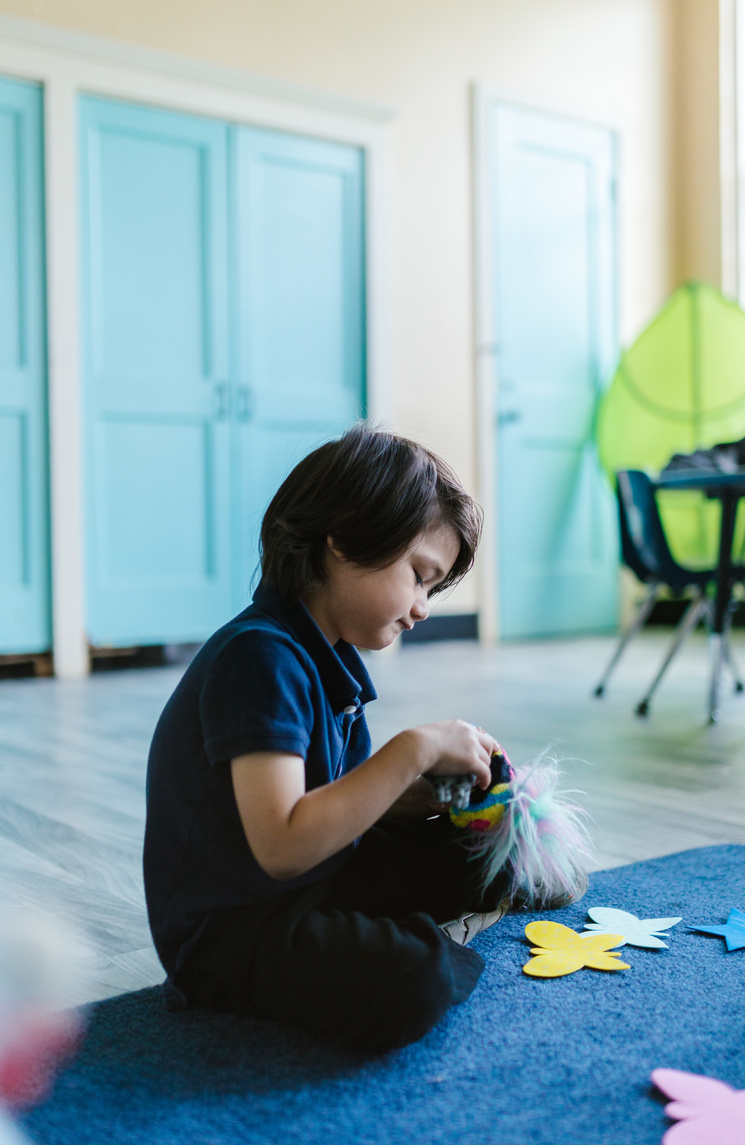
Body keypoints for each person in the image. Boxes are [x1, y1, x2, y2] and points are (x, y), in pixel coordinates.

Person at [143, 424, 519, 1051]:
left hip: (310, 881)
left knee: (480, 862)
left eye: (434, 587)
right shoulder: (258, 658)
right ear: (343, 540)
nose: (424, 606)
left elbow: (335, 802)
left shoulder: (328, 658)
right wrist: (412, 751)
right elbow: (282, 845)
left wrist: (425, 796)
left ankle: (401, 931)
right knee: (412, 979)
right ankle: (420, 945)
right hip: (232, 929)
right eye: (419, 575)